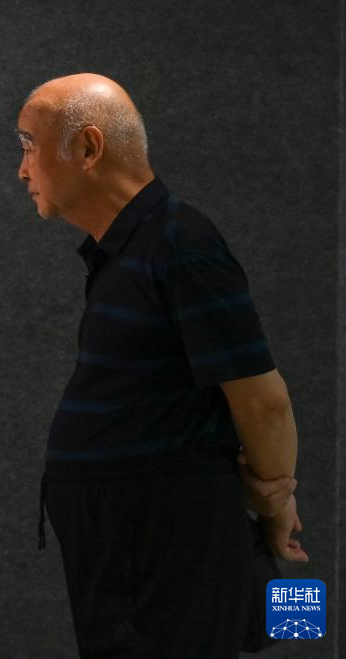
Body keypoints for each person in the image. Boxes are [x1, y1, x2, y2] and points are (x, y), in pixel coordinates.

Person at [18, 73, 306, 658]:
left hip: (166, 548)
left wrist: (274, 502)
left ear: (88, 148)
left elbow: (263, 399)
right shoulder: (130, 248)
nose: (22, 170)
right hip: (135, 549)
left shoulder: (180, 242)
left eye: (28, 146)